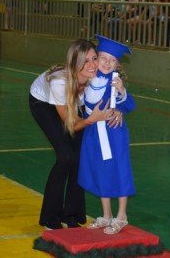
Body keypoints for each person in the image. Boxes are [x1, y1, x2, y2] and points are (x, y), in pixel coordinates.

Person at [29, 39, 122, 230]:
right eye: (85, 61)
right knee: (65, 156)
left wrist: (118, 109)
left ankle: (71, 215)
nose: (92, 65)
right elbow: (70, 124)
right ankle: (50, 218)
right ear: (74, 63)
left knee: (80, 156)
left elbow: (113, 98)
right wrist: (90, 120)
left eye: (94, 58)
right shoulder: (59, 82)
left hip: (73, 104)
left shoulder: (98, 78)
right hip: (44, 102)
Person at [78, 35, 136, 235]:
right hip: (93, 133)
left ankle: (121, 216)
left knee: (119, 171)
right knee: (100, 171)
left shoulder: (115, 82)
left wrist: (121, 98)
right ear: (96, 58)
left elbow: (130, 104)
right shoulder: (90, 79)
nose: (107, 63)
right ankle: (106, 215)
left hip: (113, 133)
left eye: (112, 60)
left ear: (118, 64)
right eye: (103, 58)